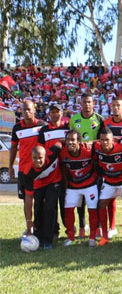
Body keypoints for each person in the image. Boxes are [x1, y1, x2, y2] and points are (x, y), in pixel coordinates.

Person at [59, 130, 99, 247]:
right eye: (68, 140)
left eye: (73, 140)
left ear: (80, 142)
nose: (70, 142)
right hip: (73, 185)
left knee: (92, 209)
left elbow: (101, 143)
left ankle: (92, 237)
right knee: (68, 209)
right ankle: (70, 237)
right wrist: (66, 182)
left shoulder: (88, 150)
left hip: (90, 184)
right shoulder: (63, 152)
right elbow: (63, 168)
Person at [93, 128, 122, 246]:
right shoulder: (96, 147)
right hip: (109, 181)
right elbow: (91, 144)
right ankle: (105, 236)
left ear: (113, 140)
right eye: (102, 140)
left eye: (107, 140)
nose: (105, 142)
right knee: (101, 204)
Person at [11, 100, 47, 223]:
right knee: (26, 200)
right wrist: (11, 166)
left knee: (41, 200)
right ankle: (29, 227)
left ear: (34, 110)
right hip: (23, 170)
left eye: (29, 109)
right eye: (24, 109)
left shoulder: (42, 125)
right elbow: (14, 148)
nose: (26, 112)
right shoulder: (17, 128)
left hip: (39, 170)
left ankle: (40, 226)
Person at [103, 97, 122, 237]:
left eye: (119, 105)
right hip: (110, 165)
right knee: (110, 197)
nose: (116, 108)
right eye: (114, 105)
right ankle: (112, 227)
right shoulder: (106, 123)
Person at [37, 103, 69, 237]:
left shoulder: (67, 128)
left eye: (57, 112)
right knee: (51, 203)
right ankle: (54, 230)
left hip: (66, 170)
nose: (55, 114)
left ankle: (69, 229)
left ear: (62, 113)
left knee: (65, 202)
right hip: (51, 171)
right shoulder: (44, 130)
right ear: (49, 114)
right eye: (52, 112)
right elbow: (40, 149)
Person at [22, 145, 63, 250]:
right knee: (38, 206)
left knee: (49, 207)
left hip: (54, 181)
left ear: (45, 156)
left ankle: (48, 240)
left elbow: (60, 142)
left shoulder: (52, 154)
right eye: (34, 158)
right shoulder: (28, 172)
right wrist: (28, 220)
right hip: (39, 185)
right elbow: (28, 198)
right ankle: (38, 236)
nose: (37, 161)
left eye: (40, 158)